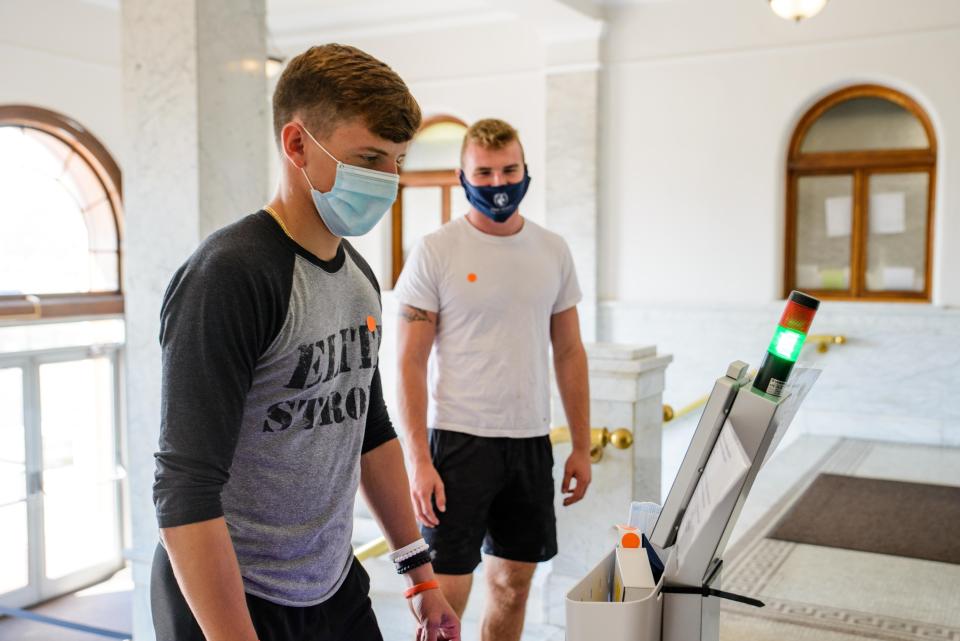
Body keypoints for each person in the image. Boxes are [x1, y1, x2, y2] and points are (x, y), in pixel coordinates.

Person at [151, 44, 460, 641]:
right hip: (232, 597)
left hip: (332, 583)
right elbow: (183, 487)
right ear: (297, 146)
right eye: (369, 158)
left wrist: (419, 574)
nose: (388, 180)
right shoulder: (230, 275)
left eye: (397, 161)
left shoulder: (359, 279)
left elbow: (366, 428)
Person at [394, 118, 592, 641]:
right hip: (458, 444)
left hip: (528, 442)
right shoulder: (436, 250)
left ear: (526, 170)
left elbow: (569, 351)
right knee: (443, 603)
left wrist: (581, 444)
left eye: (509, 169)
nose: (498, 182)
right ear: (463, 174)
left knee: (512, 586)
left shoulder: (552, 250)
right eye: (484, 172)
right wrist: (418, 461)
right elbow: (409, 362)